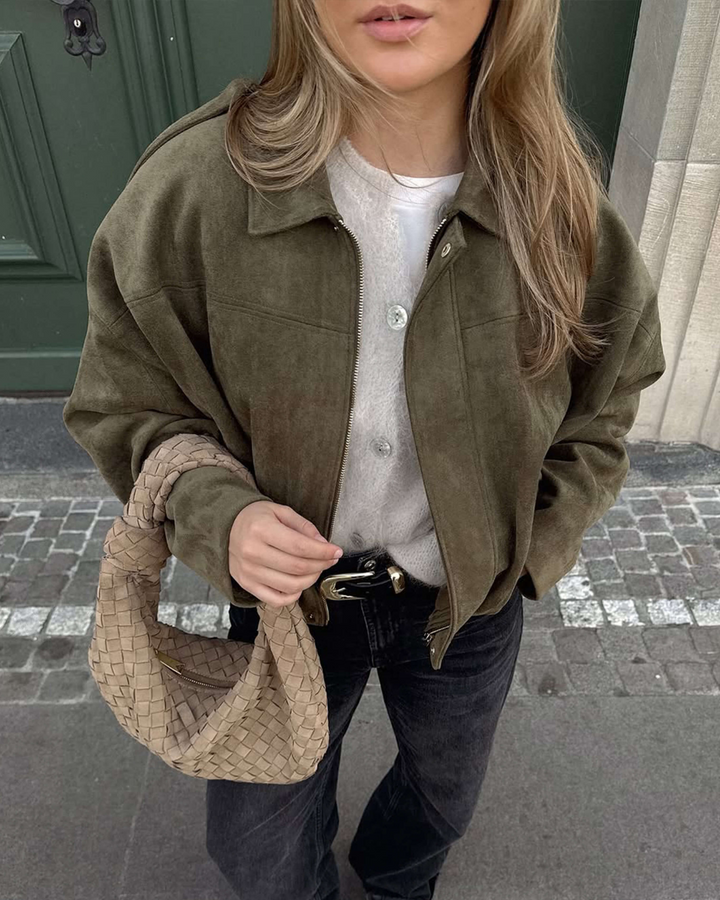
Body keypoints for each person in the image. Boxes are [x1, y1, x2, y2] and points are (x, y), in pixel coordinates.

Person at [63, 1, 666, 898]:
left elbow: (605, 401)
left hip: (468, 603)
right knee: (259, 847)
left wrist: (533, 545)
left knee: (443, 798)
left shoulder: (560, 204)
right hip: (290, 612)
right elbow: (129, 395)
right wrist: (217, 516)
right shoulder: (197, 188)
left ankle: (393, 881)